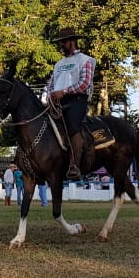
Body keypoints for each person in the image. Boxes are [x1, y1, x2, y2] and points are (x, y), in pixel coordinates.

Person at [43, 27, 96, 181]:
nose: (62, 45)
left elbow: (85, 83)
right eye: (60, 42)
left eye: (64, 42)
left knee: (72, 126)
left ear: (73, 41)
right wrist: (50, 96)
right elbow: (51, 83)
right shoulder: (59, 64)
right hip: (58, 101)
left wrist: (64, 92)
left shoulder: (85, 60)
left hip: (77, 100)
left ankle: (75, 165)